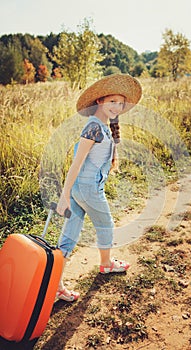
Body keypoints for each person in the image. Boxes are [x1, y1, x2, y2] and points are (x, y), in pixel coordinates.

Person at [56, 74, 142, 302]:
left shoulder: (102, 126)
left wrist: (70, 194)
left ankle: (57, 284)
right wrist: (64, 197)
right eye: (112, 101)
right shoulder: (94, 127)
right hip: (86, 189)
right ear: (99, 101)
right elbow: (76, 164)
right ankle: (106, 264)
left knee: (70, 236)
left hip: (80, 189)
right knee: (105, 224)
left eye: (120, 102)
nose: (117, 106)